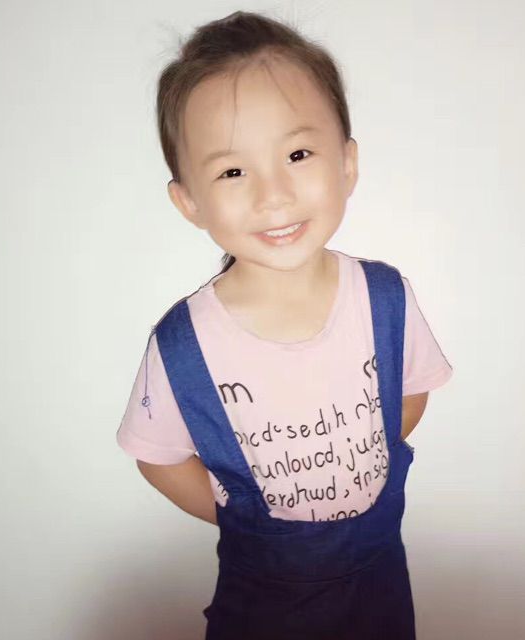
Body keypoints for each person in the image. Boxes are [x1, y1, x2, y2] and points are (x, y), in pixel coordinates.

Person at [116, 10, 453, 639]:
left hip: (380, 590)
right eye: (232, 171)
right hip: (262, 608)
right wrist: (244, 517)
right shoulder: (184, 345)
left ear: (346, 164)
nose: (272, 194)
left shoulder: (384, 298)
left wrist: (358, 458)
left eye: (297, 154)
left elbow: (411, 391)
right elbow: (158, 458)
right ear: (189, 201)